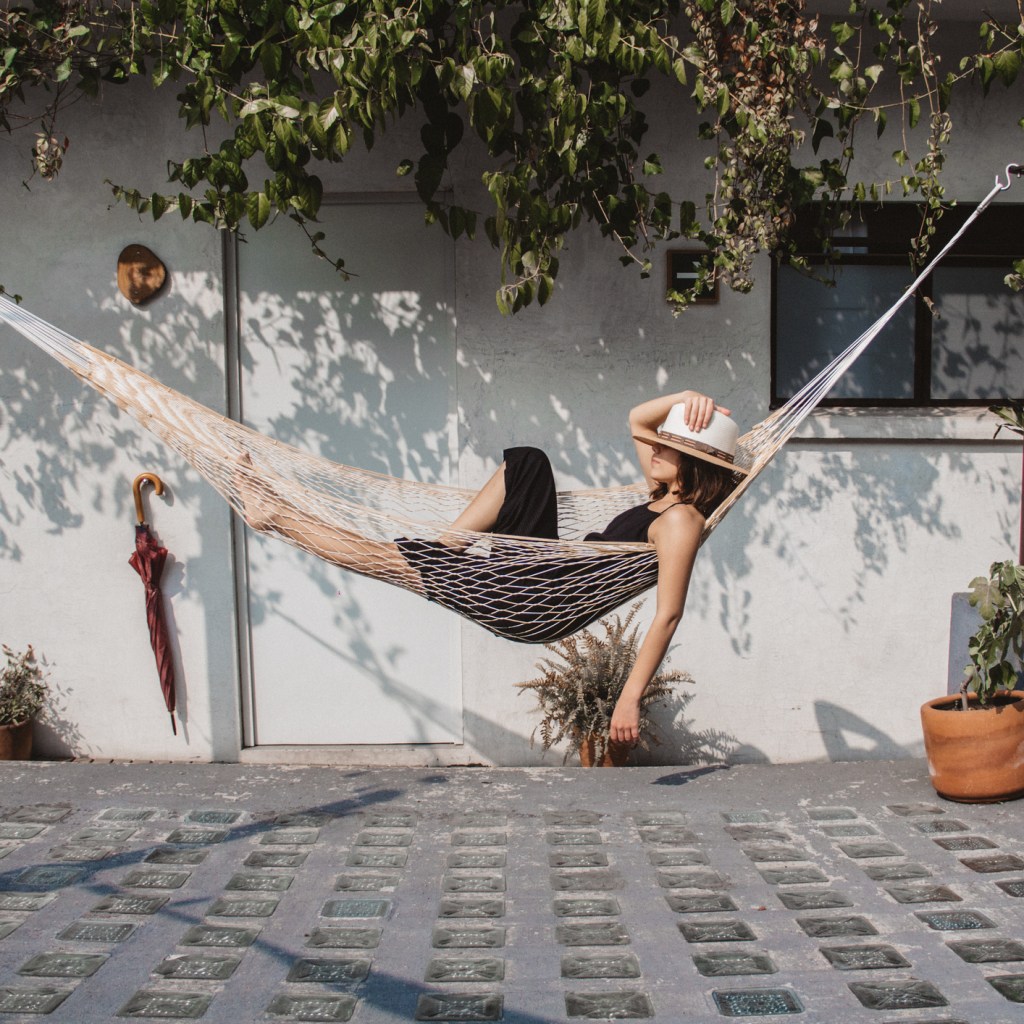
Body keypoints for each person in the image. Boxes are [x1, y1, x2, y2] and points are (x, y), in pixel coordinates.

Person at [235, 388, 745, 746]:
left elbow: (667, 616)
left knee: (390, 558)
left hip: (540, 600)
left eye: (670, 446)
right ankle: (446, 549)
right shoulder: (662, 496)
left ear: (696, 463)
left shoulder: (682, 521)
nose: (654, 445)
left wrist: (629, 698)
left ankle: (276, 514)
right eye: (663, 440)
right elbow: (638, 417)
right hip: (542, 577)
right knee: (527, 465)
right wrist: (686, 397)